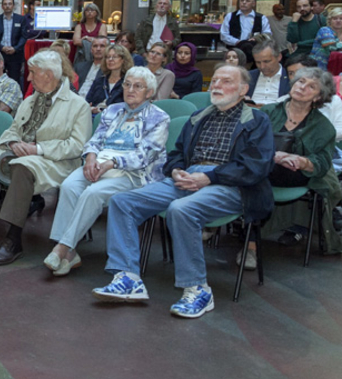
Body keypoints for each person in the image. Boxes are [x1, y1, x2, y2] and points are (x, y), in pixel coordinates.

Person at [92, 65, 274, 319]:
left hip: (232, 185)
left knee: (181, 210)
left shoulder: (257, 120)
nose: (216, 85)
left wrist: (209, 177)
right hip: (187, 178)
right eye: (215, 80)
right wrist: (176, 170)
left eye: (226, 81)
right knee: (123, 201)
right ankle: (128, 278)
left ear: (243, 90)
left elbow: (255, 166)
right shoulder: (199, 117)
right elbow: (176, 154)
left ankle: (197, 289)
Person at [0, 51, 92, 265]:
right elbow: (11, 130)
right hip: (19, 152)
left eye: (33, 73)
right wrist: (13, 143)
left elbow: (77, 146)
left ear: (48, 75)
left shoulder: (78, 105)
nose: (28, 78)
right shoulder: (30, 100)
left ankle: (13, 240)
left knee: (22, 167)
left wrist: (37, 149)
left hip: (53, 161)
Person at [46, 67, 170, 276]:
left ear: (149, 92)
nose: (130, 89)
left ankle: (62, 247)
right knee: (69, 186)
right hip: (100, 165)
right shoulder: (113, 110)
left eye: (138, 86)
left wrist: (112, 163)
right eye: (127, 84)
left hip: (134, 174)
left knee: (93, 193)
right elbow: (95, 140)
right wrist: (90, 158)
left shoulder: (159, 118)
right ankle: (70, 253)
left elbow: (144, 156)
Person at [238, 67, 341, 267]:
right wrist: (273, 156)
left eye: (311, 86)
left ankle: (249, 244)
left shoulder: (323, 126)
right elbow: (246, 144)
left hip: (296, 174)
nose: (302, 87)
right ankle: (249, 242)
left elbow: (321, 163)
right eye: (301, 82)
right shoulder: (268, 112)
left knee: (255, 179)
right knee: (256, 176)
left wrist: (301, 161)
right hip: (264, 168)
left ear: (318, 97)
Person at [220, 0, 270, 66]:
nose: (244, 2)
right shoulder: (230, 16)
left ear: (253, 4)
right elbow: (224, 35)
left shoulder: (261, 18)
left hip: (254, 52)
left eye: (247, 1)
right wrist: (238, 42)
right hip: (235, 51)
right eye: (242, 0)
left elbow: (267, 35)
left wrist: (256, 39)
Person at [0, 0, 30, 87]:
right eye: (5, 4)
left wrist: (15, 48)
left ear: (13, 6)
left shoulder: (21, 19)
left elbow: (24, 36)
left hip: (15, 54)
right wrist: (1, 47)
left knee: (14, 80)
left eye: (9, 4)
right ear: (2, 6)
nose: (7, 6)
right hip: (0, 54)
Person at [85, 44, 133, 114]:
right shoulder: (99, 81)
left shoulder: (128, 83)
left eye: (114, 57)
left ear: (123, 59)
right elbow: (88, 101)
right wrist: (91, 108)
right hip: (95, 117)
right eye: (108, 57)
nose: (110, 59)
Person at [247, 38, 289, 106]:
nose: (262, 67)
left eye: (266, 61)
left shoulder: (290, 77)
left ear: (279, 57)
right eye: (258, 62)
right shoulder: (247, 76)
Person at [72, 2, 107, 69]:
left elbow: (102, 41)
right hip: (82, 56)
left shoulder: (102, 26)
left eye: (92, 10)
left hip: (98, 55)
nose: (89, 12)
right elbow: (76, 41)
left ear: (97, 13)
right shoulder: (79, 26)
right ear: (84, 13)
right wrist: (93, 40)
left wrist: (85, 38)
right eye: (87, 10)